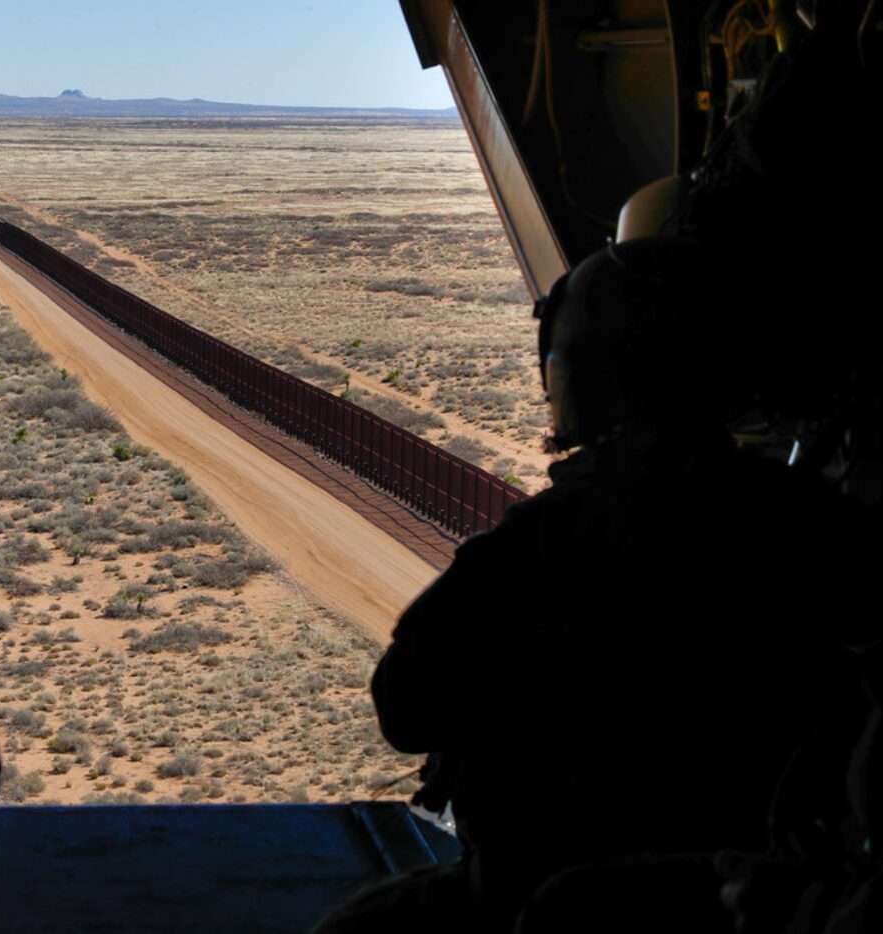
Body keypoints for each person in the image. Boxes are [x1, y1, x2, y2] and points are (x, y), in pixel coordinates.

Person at [315, 236, 869, 933]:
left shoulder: (541, 545)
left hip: (546, 893)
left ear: (577, 372)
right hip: (746, 900)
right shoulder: (822, 527)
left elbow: (407, 708)